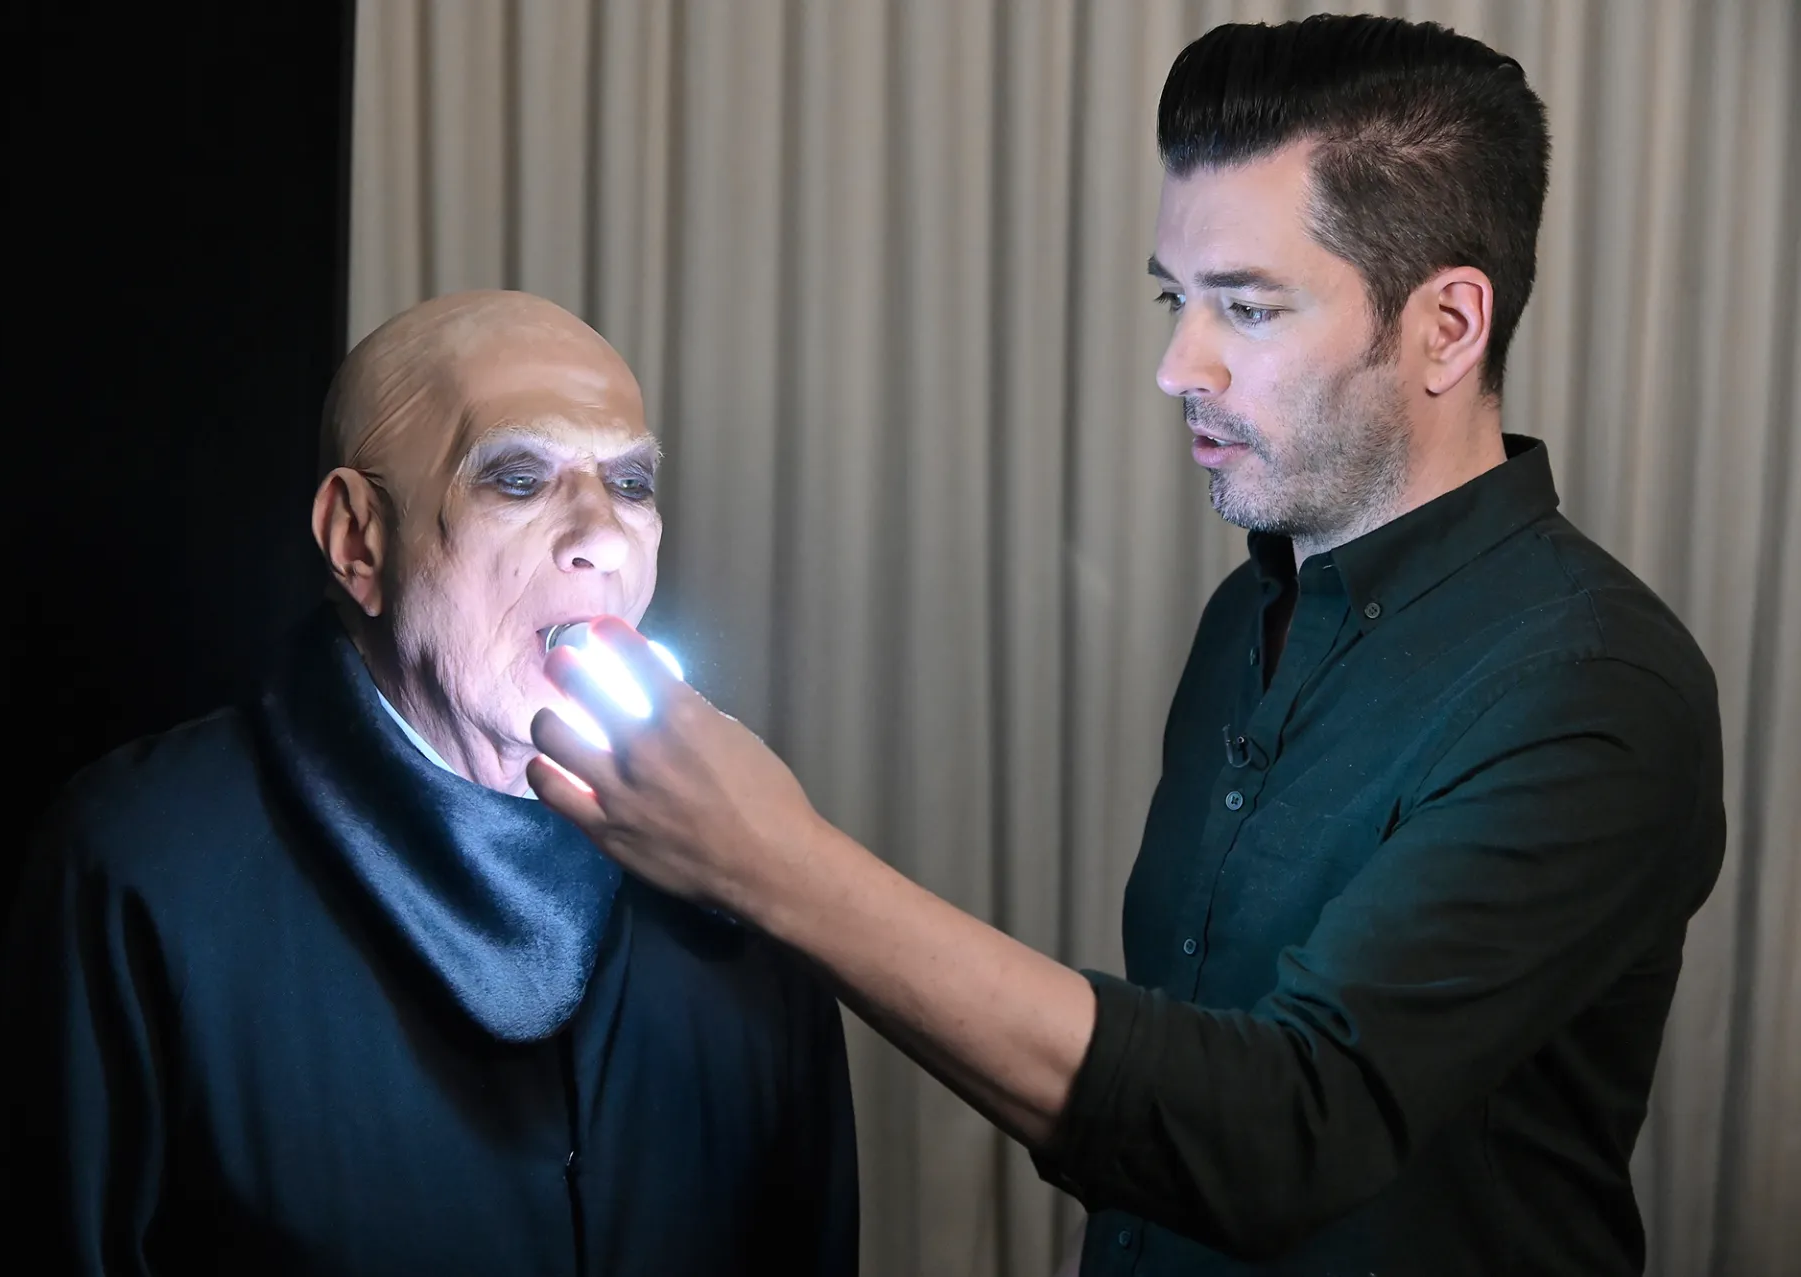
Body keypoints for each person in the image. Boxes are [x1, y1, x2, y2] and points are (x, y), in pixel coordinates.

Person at [524, 17, 1725, 1277]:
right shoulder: (1246, 614)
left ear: (1446, 325)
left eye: (1244, 308)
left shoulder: (1592, 688)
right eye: (1174, 297)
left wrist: (776, 862)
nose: (1174, 366)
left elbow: (1288, 1131)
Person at [0, 291, 858, 1276]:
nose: (603, 536)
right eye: (518, 479)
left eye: (630, 482)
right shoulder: (143, 868)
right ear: (357, 537)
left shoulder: (743, 873)